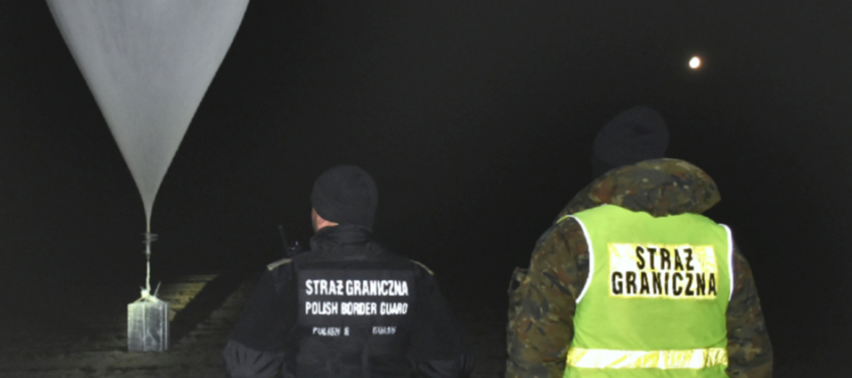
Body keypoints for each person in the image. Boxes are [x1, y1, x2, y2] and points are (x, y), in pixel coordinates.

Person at [506, 107, 773, 377]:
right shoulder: (720, 244)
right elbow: (752, 359)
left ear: (603, 169)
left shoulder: (574, 239)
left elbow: (534, 359)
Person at [224, 165, 473, 378]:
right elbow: (450, 364)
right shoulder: (416, 276)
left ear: (319, 213)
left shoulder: (285, 276)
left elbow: (246, 367)